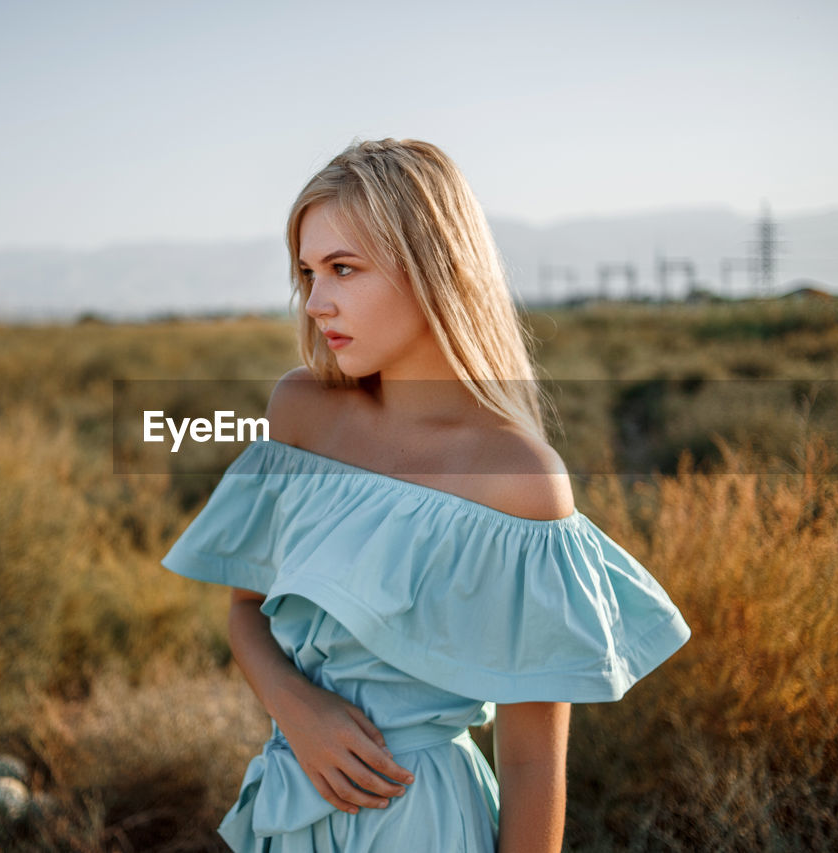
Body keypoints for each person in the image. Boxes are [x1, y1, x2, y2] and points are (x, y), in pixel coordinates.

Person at [160, 138, 691, 852]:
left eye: (344, 268)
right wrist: (301, 711)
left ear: (432, 268)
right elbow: (245, 613)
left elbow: (533, 761)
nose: (317, 302)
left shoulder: (521, 480)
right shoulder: (300, 412)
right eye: (308, 272)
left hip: (425, 824)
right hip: (291, 811)